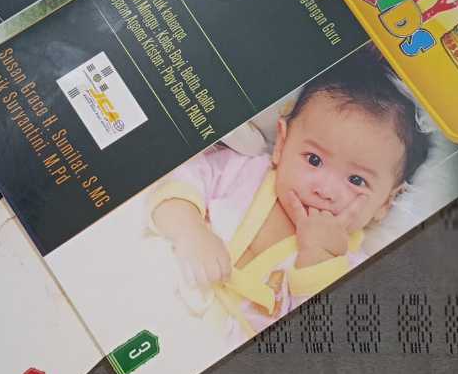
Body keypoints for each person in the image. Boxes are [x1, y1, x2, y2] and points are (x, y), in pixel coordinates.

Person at [149, 47, 431, 341]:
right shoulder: (246, 172)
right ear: (282, 143)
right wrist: (190, 231)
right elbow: (178, 181)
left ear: (386, 202)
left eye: (356, 180)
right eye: (314, 160)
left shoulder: (352, 269)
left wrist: (319, 258)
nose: (325, 190)